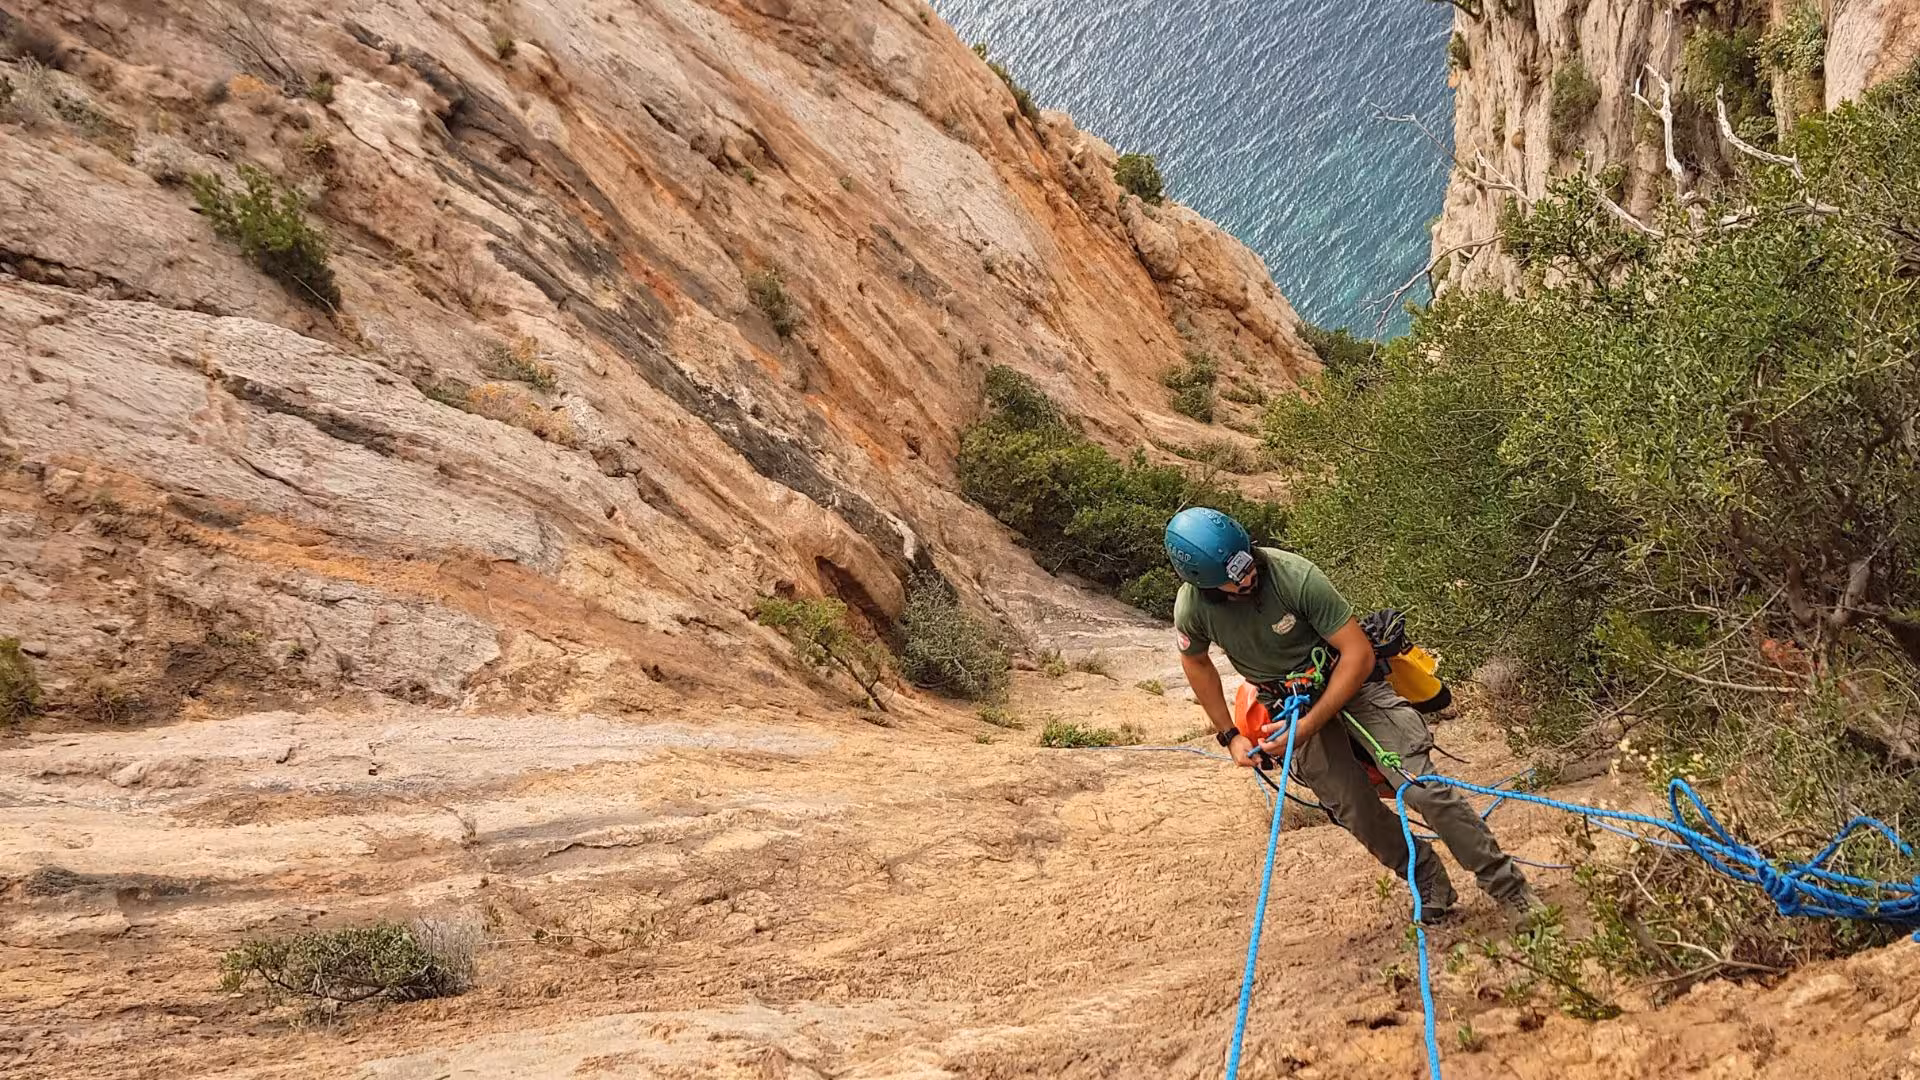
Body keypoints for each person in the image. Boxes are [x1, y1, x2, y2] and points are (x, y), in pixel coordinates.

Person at [1164, 506, 1542, 925]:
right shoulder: (1193, 608)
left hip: (1351, 682)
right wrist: (1231, 734)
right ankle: (1427, 879)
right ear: (1204, 583)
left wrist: (1311, 723)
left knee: (1422, 788)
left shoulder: (1294, 576)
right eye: (1235, 577)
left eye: (1248, 564)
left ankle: (1509, 889)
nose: (1248, 577)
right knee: (1353, 809)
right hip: (1288, 704)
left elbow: (1358, 653)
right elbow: (1195, 662)